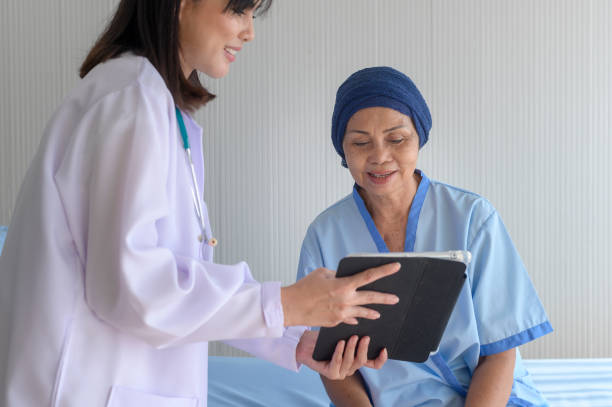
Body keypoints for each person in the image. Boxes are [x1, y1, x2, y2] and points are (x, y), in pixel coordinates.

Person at [0, 2, 402, 406]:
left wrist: (297, 339)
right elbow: (132, 288)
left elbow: (184, 282)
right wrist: (285, 303)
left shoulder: (159, 106)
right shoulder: (131, 99)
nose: (249, 32)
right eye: (239, 10)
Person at [296, 66, 553, 407]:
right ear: (342, 149)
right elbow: (330, 363)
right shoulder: (324, 236)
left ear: (419, 137)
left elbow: (500, 352)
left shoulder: (473, 218)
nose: (379, 157)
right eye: (360, 142)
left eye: (397, 139)